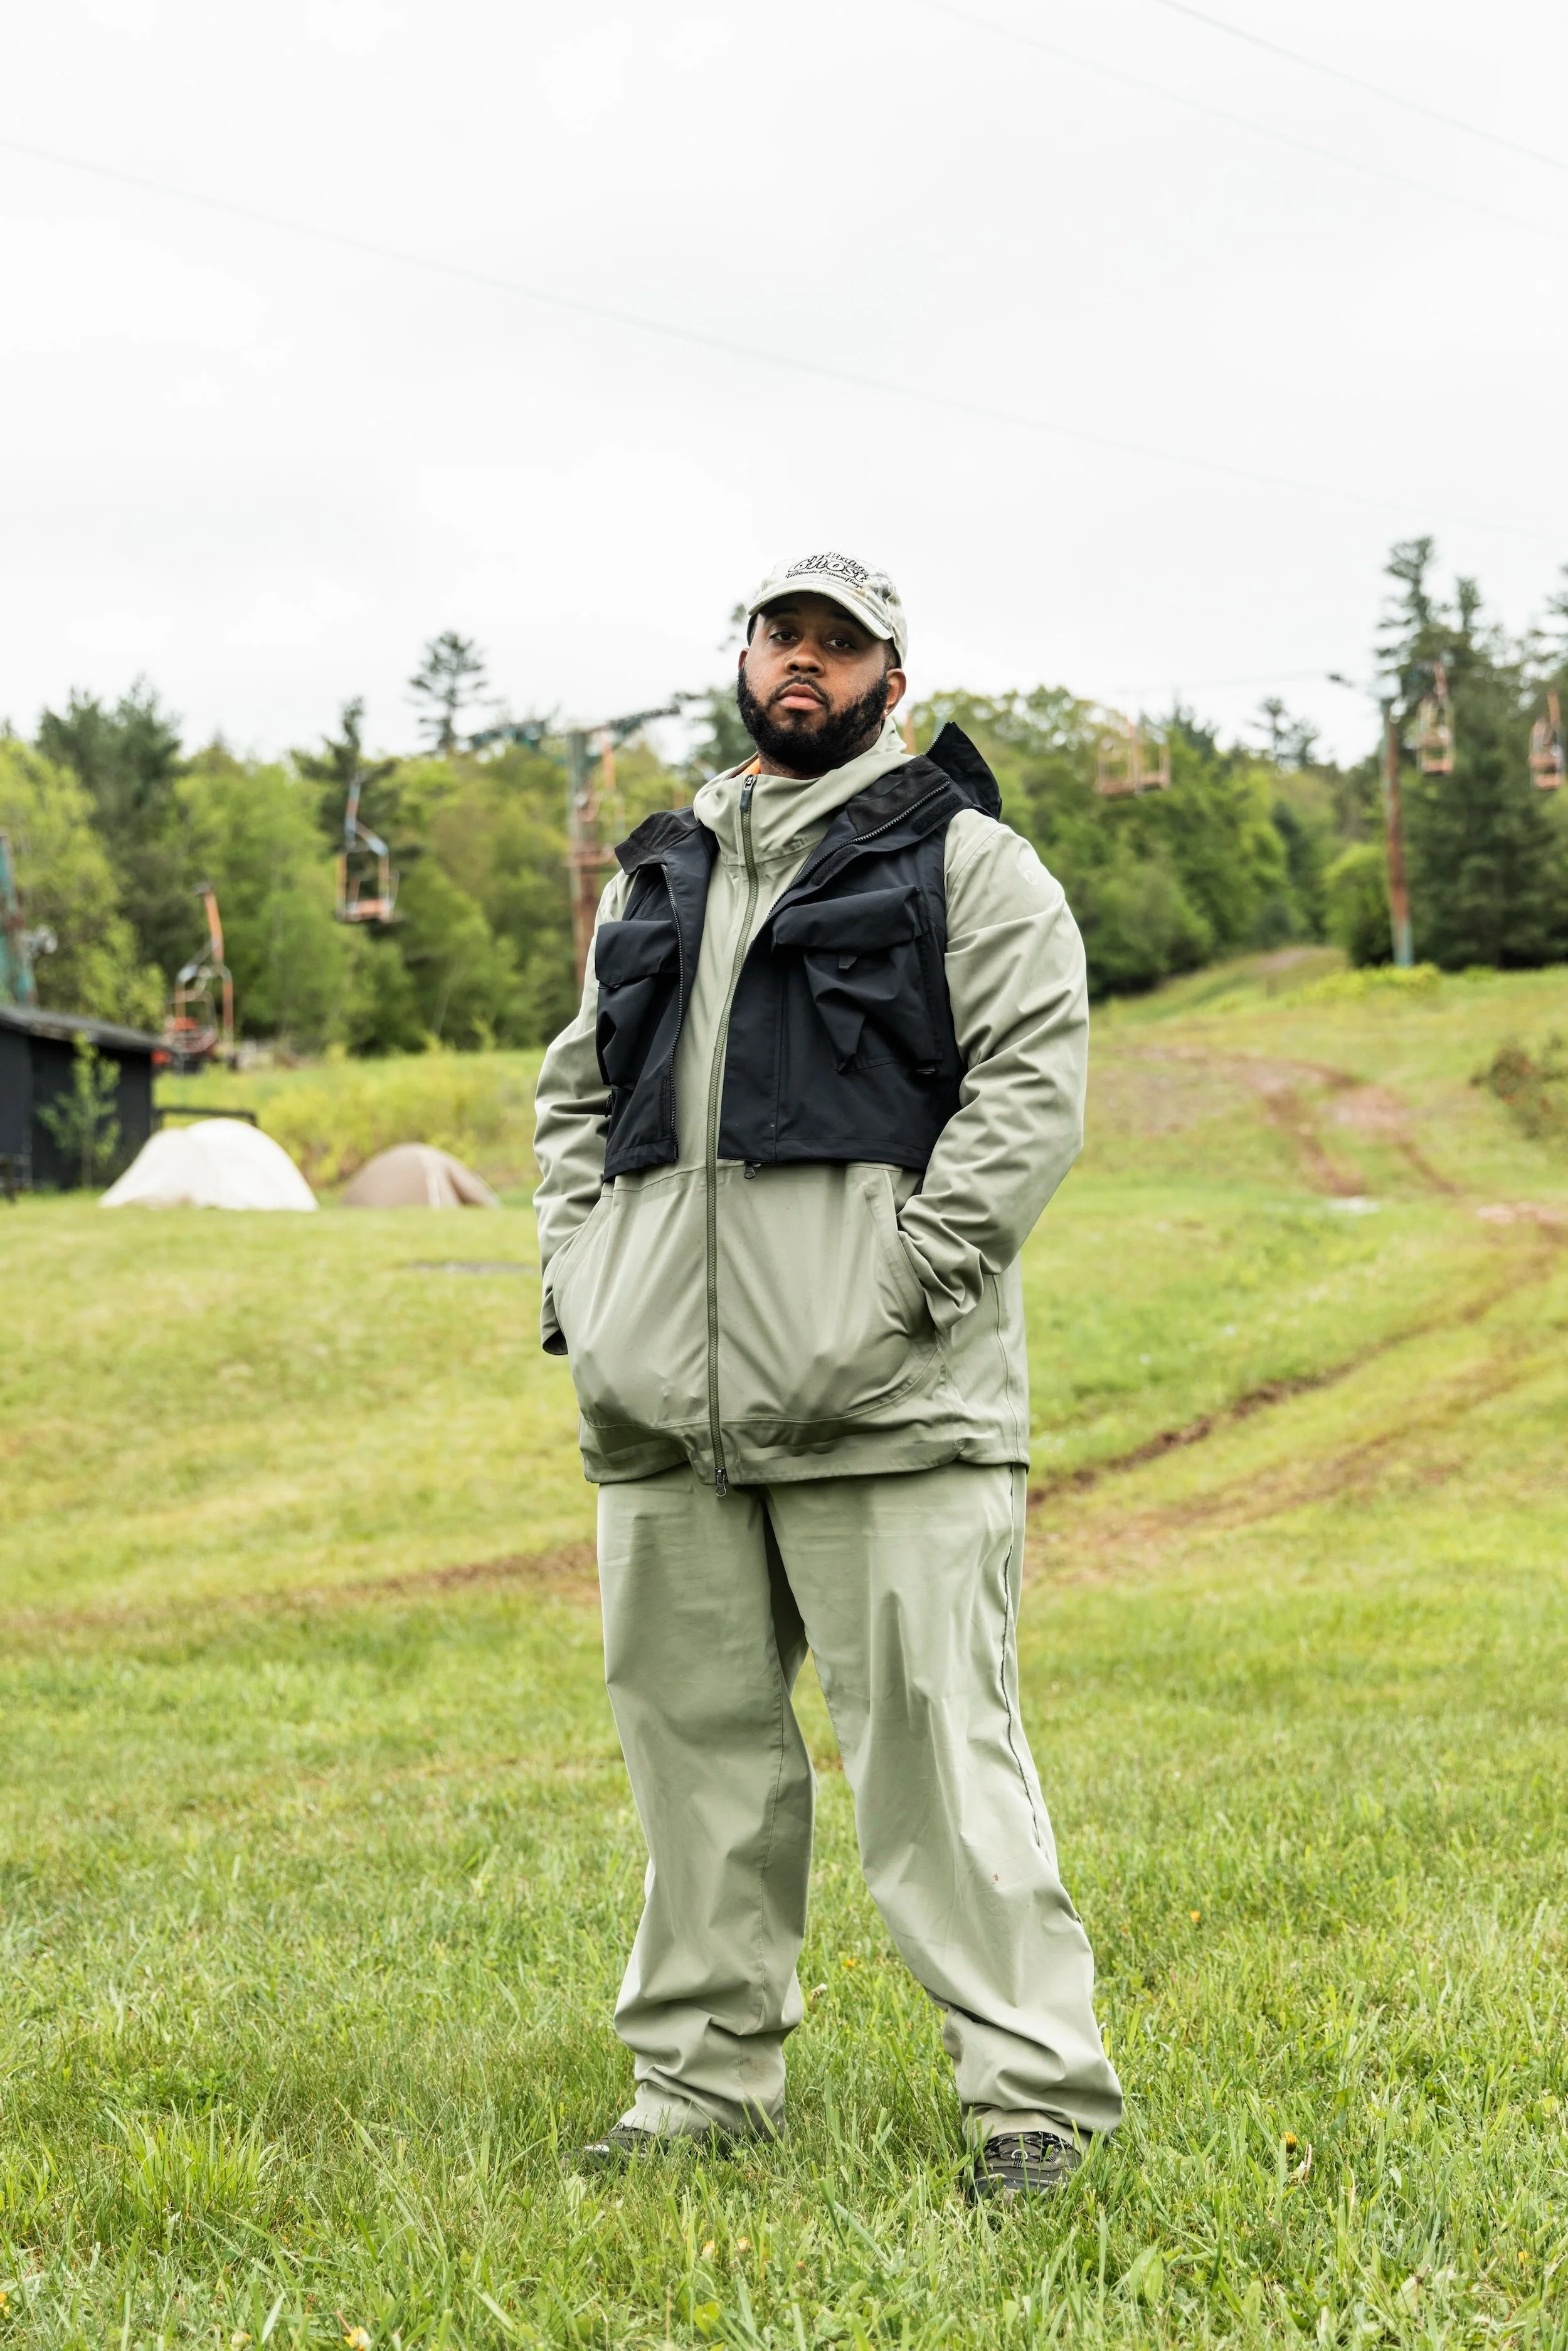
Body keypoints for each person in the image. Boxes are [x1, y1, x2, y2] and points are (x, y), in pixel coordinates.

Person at [532, 553, 1121, 2202]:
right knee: (698, 1764)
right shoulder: (652, 874)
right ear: (742, 657)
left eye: (838, 645)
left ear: (890, 680)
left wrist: (908, 1285)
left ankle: (1034, 2105)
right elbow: (574, 1102)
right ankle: (695, 2096)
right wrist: (586, 1286)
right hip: (664, 1419)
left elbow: (1030, 1093)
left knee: (942, 1762)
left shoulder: (971, 865)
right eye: (779, 636)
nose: (803, 664)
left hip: (894, 1406)